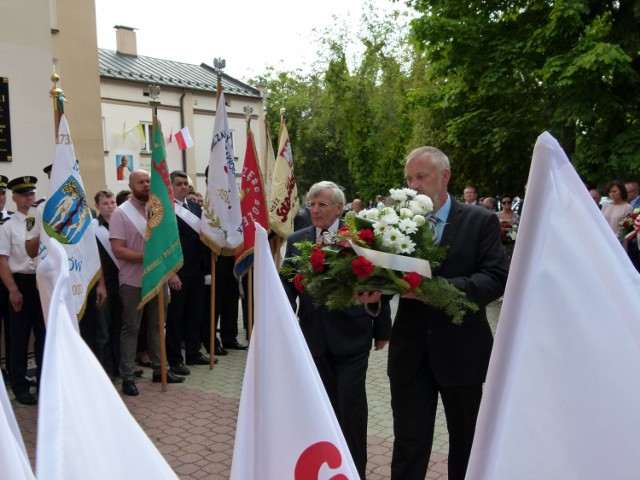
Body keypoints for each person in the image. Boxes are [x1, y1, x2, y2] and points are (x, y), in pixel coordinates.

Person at [387, 147, 508, 480]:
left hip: (463, 352)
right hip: (410, 354)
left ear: (445, 176)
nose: (413, 186)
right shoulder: (396, 223)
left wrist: (435, 290)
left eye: (421, 177)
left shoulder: (479, 220)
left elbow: (495, 278)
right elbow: (385, 276)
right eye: (409, 179)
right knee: (409, 445)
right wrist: (372, 294)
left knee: (467, 444)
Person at [281, 181, 392, 479]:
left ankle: (355, 471)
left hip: (352, 337)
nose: (315, 210)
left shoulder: (359, 238)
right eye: (312, 205)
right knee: (320, 406)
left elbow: (378, 282)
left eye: (322, 205)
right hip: (313, 337)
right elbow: (286, 285)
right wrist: (281, 322)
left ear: (339, 208)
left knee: (351, 407)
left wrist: (382, 328)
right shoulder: (296, 240)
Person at [109, 170, 185, 396]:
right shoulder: (121, 214)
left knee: (156, 326)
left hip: (158, 278)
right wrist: (149, 256)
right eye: (141, 182)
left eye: (149, 181)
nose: (146, 185)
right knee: (131, 327)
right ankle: (127, 377)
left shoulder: (158, 210)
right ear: (131, 186)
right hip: (133, 282)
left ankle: (160, 369)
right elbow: (118, 250)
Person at [0, 176, 47, 405]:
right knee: (19, 338)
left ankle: (43, 381)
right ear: (14, 198)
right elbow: (2, 261)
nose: (29, 198)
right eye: (24, 195)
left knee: (43, 336)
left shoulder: (42, 220)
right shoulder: (8, 226)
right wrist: (12, 289)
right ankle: (20, 386)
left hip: (41, 283)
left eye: (32, 194)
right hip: (21, 283)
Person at [165, 171, 211, 375]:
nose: (184, 187)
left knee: (195, 314)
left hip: (197, 269)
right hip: (179, 272)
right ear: (171, 186)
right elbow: (164, 244)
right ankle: (175, 359)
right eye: (179, 184)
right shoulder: (166, 209)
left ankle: (193, 352)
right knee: (176, 318)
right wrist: (171, 273)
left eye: (186, 183)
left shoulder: (194, 206)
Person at [0, 175, 12, 382]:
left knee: (13, 329)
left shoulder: (14, 219)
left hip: (11, 281)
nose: (0, 197)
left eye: (2, 193)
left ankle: (12, 369)